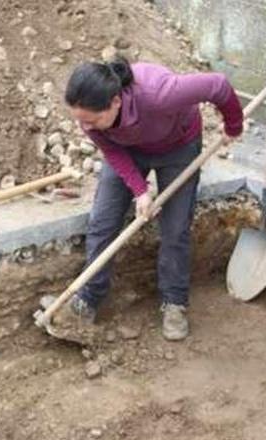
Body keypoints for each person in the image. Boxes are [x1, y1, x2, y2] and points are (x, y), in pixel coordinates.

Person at [53, 57, 244, 341]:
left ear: (116, 102)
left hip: (178, 147)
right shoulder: (90, 120)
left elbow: (218, 85)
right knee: (102, 223)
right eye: (81, 120)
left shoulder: (159, 94)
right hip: (127, 150)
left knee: (175, 228)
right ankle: (89, 298)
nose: (86, 127)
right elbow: (113, 152)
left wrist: (233, 126)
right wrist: (139, 190)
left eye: (91, 120)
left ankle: (174, 303)